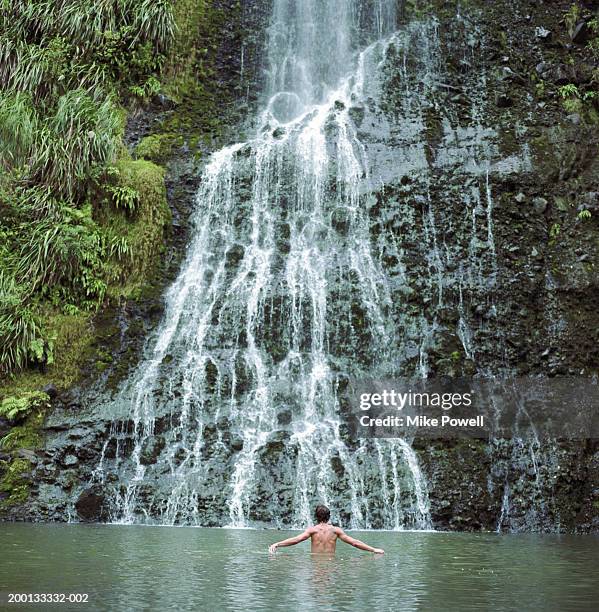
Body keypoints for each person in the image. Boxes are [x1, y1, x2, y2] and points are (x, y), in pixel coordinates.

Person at [268, 505, 384, 555]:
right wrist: (374, 549)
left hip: (315, 564)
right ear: (329, 516)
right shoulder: (336, 531)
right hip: (331, 564)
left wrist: (278, 544)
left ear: (316, 517)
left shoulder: (312, 530)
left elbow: (296, 540)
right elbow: (354, 543)